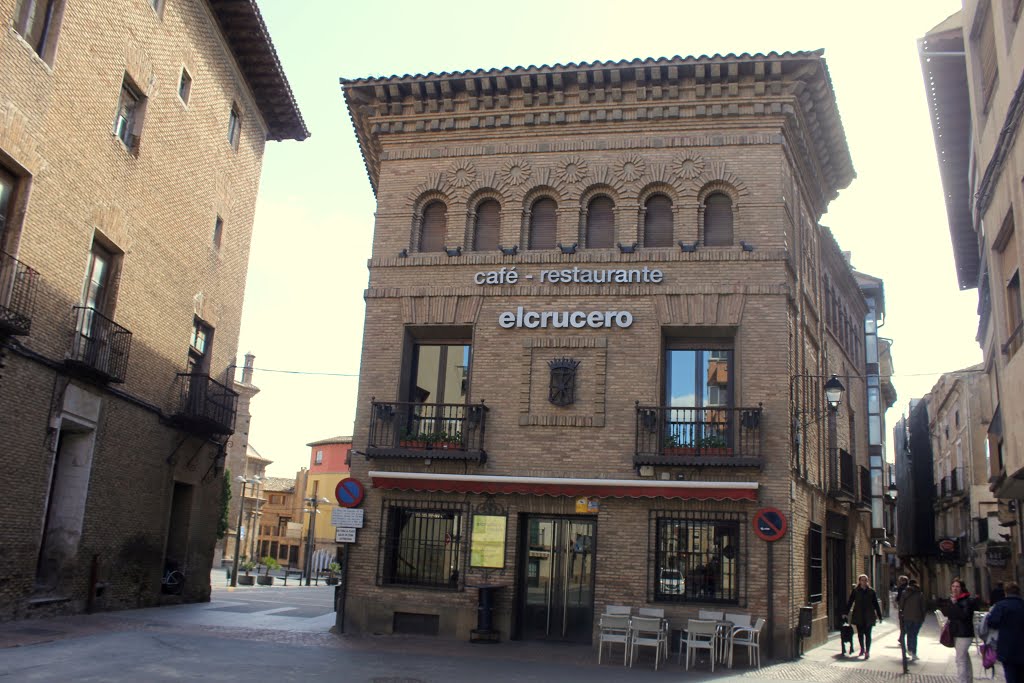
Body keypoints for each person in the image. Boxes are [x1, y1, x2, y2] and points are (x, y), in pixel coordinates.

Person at [941, 577, 979, 683]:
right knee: (964, 658)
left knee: (960, 659)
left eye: (957, 586)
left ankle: (962, 680)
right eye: (953, 586)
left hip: (964, 633)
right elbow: (948, 613)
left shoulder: (966, 601)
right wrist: (951, 604)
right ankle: (968, 679)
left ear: (962, 588)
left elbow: (963, 616)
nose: (954, 589)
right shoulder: (955, 600)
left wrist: (954, 604)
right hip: (957, 632)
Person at [986, 581, 1024, 683]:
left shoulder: (1001, 606)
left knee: (1010, 675)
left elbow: (992, 622)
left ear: (1005, 592)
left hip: (1007, 647)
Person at [846, 574, 883, 659]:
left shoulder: (871, 591)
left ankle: (867, 651)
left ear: (867, 581)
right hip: (858, 615)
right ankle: (862, 648)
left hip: (869, 616)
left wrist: (880, 616)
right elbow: (850, 602)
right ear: (859, 581)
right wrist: (846, 612)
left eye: (865, 580)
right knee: (860, 634)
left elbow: (876, 604)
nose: (864, 582)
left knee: (868, 634)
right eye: (862, 580)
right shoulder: (856, 591)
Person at [898, 578, 926, 661]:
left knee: (909, 634)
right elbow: (923, 607)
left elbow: (901, 606)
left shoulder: (904, 593)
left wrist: (901, 616)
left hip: (907, 617)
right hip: (918, 618)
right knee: (914, 635)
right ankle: (914, 652)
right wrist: (923, 617)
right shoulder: (920, 594)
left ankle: (910, 649)